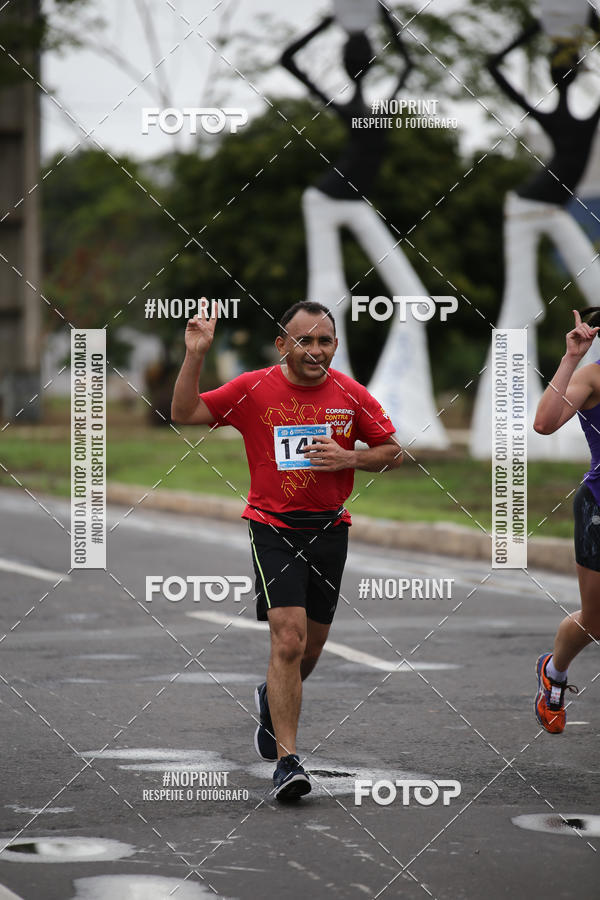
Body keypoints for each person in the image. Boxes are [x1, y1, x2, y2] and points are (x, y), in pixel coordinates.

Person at [171, 300, 403, 799]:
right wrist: (195, 354)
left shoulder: (350, 394)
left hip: (329, 529)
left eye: (324, 341)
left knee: (310, 650)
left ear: (335, 345)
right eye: (305, 340)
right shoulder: (254, 387)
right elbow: (184, 412)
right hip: (272, 526)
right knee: (288, 640)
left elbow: (392, 452)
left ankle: (268, 698)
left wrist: (349, 456)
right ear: (283, 345)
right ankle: (288, 761)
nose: (315, 350)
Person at [279, 12, 449, 449]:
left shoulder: (380, 103)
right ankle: (328, 408)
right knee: (330, 297)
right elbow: (289, 60)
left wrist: (382, 13)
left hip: (355, 201)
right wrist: (329, 21)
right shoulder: (347, 104)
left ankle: (391, 407)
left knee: (415, 298)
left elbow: (409, 64)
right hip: (323, 199)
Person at [471, 15, 600, 459]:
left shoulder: (562, 113)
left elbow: (494, 67)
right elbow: (492, 67)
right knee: (520, 306)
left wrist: (548, 30)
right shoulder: (570, 114)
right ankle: (503, 425)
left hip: (551, 208)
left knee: (596, 290)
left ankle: (580, 403)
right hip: (525, 211)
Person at [533, 308, 600, 732]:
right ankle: (554, 674)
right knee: (595, 620)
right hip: (598, 507)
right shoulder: (593, 377)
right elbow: (544, 423)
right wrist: (571, 357)